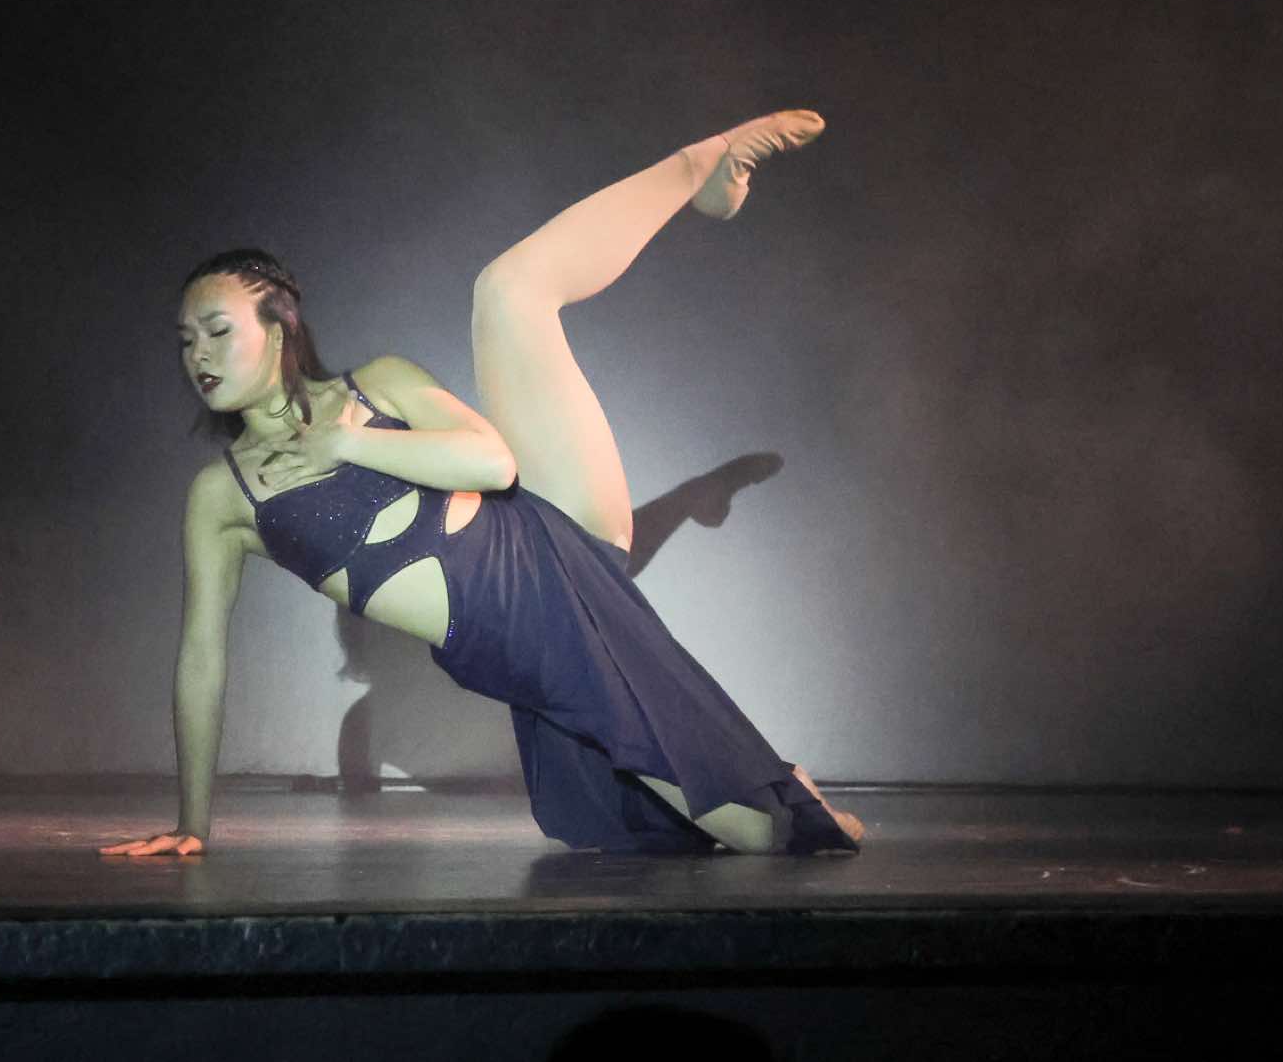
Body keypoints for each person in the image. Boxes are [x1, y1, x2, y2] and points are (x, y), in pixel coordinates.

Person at [102, 111, 865, 857]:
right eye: (186, 341)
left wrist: (347, 440)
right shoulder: (224, 493)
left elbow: (493, 464)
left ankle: (704, 164)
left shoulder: (376, 386)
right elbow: (201, 656)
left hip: (551, 522)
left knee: (506, 289)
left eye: (217, 330)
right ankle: (779, 778)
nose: (198, 355)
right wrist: (193, 822)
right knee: (767, 835)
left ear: (277, 330)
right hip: (530, 636)